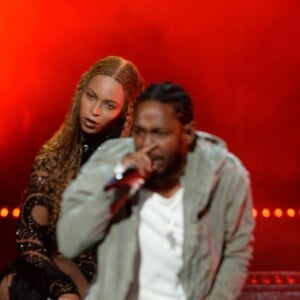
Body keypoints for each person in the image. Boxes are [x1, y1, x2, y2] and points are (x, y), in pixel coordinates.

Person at [57, 82, 255, 300]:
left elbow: (236, 252)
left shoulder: (225, 175)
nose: (147, 144)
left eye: (159, 133)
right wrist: (119, 184)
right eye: (140, 132)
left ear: (187, 133)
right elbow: (70, 240)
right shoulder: (112, 160)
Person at [0, 55, 144, 300]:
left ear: (125, 113)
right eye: (91, 97)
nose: (95, 111)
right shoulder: (54, 158)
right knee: (16, 283)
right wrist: (62, 288)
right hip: (55, 275)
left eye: (109, 105)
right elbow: (29, 239)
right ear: (80, 94)